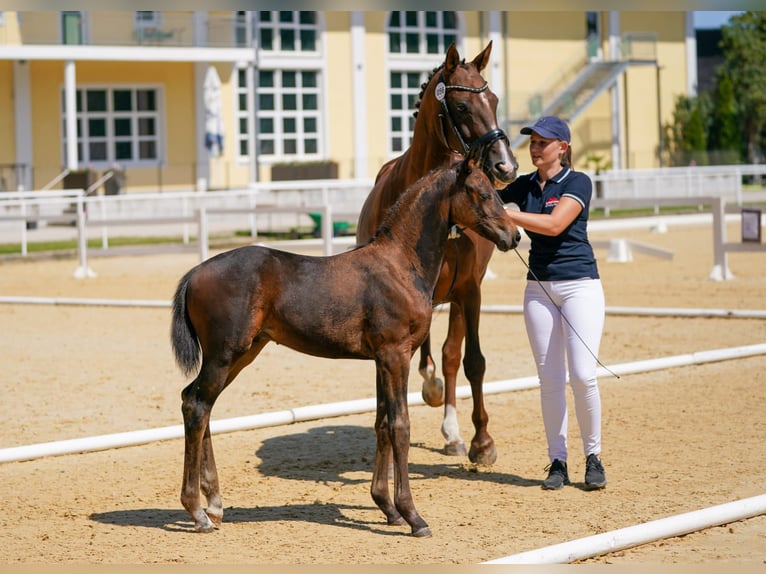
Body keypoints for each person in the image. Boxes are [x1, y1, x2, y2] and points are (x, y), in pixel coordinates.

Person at [498, 116, 607, 491]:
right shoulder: (523, 185)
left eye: (543, 143)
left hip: (580, 286)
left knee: (582, 375)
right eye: (532, 142)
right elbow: (481, 201)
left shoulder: (578, 182)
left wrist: (508, 214)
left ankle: (593, 455)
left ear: (562, 147)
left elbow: (555, 225)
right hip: (538, 289)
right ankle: (557, 461)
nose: (534, 148)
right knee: (549, 380)